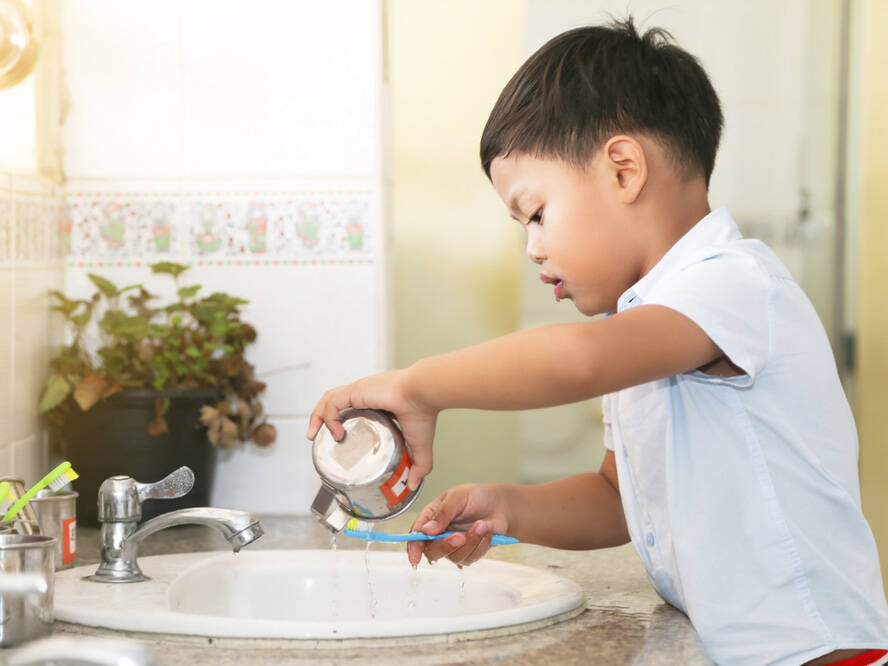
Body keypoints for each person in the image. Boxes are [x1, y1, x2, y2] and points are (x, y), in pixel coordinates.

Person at [306, 18, 888, 666]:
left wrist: (417, 387)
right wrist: (507, 507)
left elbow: (575, 362)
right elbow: (619, 500)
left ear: (623, 169)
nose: (532, 247)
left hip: (818, 654)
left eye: (536, 213)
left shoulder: (733, 283)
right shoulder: (648, 324)